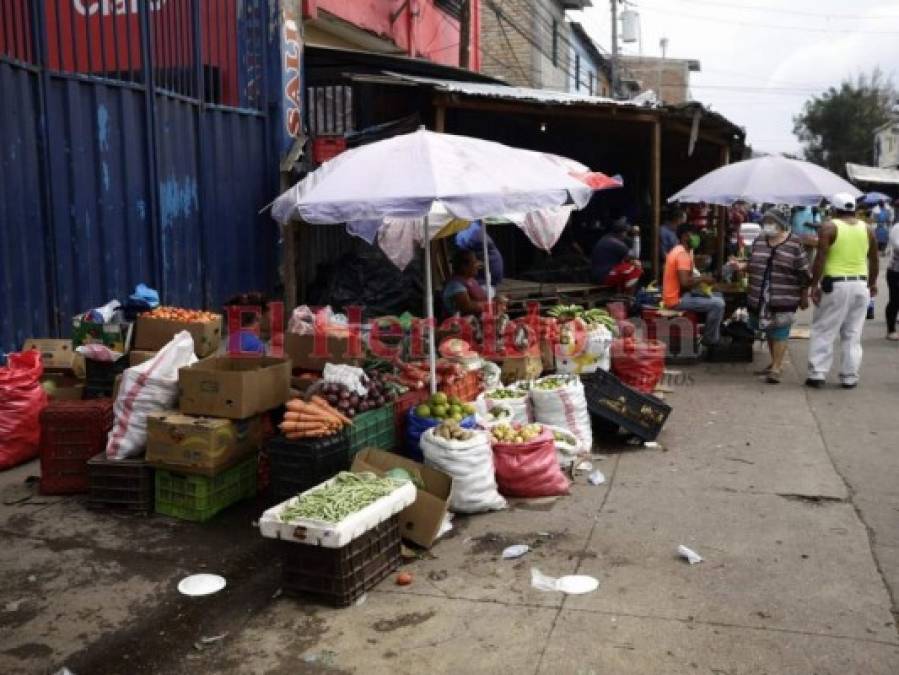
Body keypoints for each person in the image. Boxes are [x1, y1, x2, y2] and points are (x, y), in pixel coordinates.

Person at [806, 192, 879, 389]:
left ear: (834, 209)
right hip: (860, 286)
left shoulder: (829, 227)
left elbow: (820, 257)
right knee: (853, 334)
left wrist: (814, 285)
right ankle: (849, 376)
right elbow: (874, 259)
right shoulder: (868, 229)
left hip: (835, 286)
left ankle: (817, 373)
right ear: (853, 209)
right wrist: (872, 283)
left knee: (824, 329)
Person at [745, 210, 810, 383]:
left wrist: (804, 295)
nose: (768, 225)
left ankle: (776, 368)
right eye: (765, 221)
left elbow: (804, 271)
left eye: (771, 221)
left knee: (780, 329)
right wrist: (741, 266)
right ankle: (775, 362)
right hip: (759, 294)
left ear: (782, 224)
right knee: (768, 328)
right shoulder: (759, 241)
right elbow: (752, 263)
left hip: (785, 294)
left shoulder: (794, 242)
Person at [662, 222, 726, 347]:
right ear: (685, 236)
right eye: (694, 235)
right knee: (718, 304)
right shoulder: (681, 254)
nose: (697, 238)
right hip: (676, 300)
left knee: (718, 295)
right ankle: (710, 340)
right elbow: (685, 282)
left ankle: (712, 331)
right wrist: (703, 278)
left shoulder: (683, 251)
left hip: (683, 294)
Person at [590, 219, 642, 295]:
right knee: (636, 267)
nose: (626, 235)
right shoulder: (614, 242)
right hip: (603, 276)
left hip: (599, 275)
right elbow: (636, 255)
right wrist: (636, 236)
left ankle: (622, 292)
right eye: (626, 233)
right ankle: (629, 296)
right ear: (622, 233)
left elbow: (628, 255)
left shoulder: (608, 238)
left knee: (628, 264)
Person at [454, 220, 504, 289]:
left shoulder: (469, 231)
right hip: (487, 279)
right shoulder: (472, 230)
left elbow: (462, 252)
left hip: (486, 279)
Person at [442, 250, 489, 317]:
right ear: (464, 266)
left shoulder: (471, 280)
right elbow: (466, 307)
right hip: (462, 325)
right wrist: (490, 304)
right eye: (474, 262)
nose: (477, 265)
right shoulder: (455, 285)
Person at [886, 218, 899, 341]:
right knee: (895, 301)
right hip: (896, 271)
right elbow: (897, 245)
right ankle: (891, 330)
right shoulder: (897, 228)